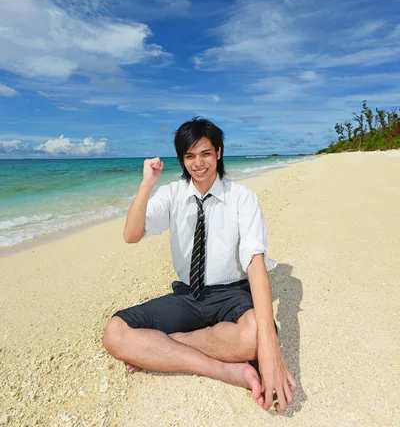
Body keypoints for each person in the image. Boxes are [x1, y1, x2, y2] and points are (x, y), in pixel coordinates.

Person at [103, 117, 296, 412]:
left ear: (218, 152)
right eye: (190, 156)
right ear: (182, 159)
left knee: (257, 333)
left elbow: (255, 262)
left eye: (205, 153)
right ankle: (226, 370)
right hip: (188, 295)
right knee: (115, 333)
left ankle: (167, 344)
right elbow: (131, 235)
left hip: (231, 293)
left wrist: (271, 353)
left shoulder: (242, 198)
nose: (198, 163)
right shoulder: (172, 194)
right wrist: (146, 184)